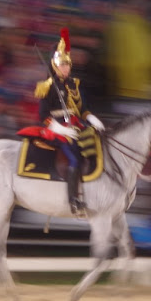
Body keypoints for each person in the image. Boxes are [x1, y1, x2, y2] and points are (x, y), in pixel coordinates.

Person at [35, 28, 105, 213]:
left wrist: (92, 118)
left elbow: (82, 109)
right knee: (74, 158)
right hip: (57, 128)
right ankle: (73, 200)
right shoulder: (46, 87)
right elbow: (43, 116)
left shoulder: (75, 84)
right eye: (62, 65)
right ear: (54, 65)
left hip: (76, 125)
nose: (66, 68)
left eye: (68, 65)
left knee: (97, 146)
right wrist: (62, 130)